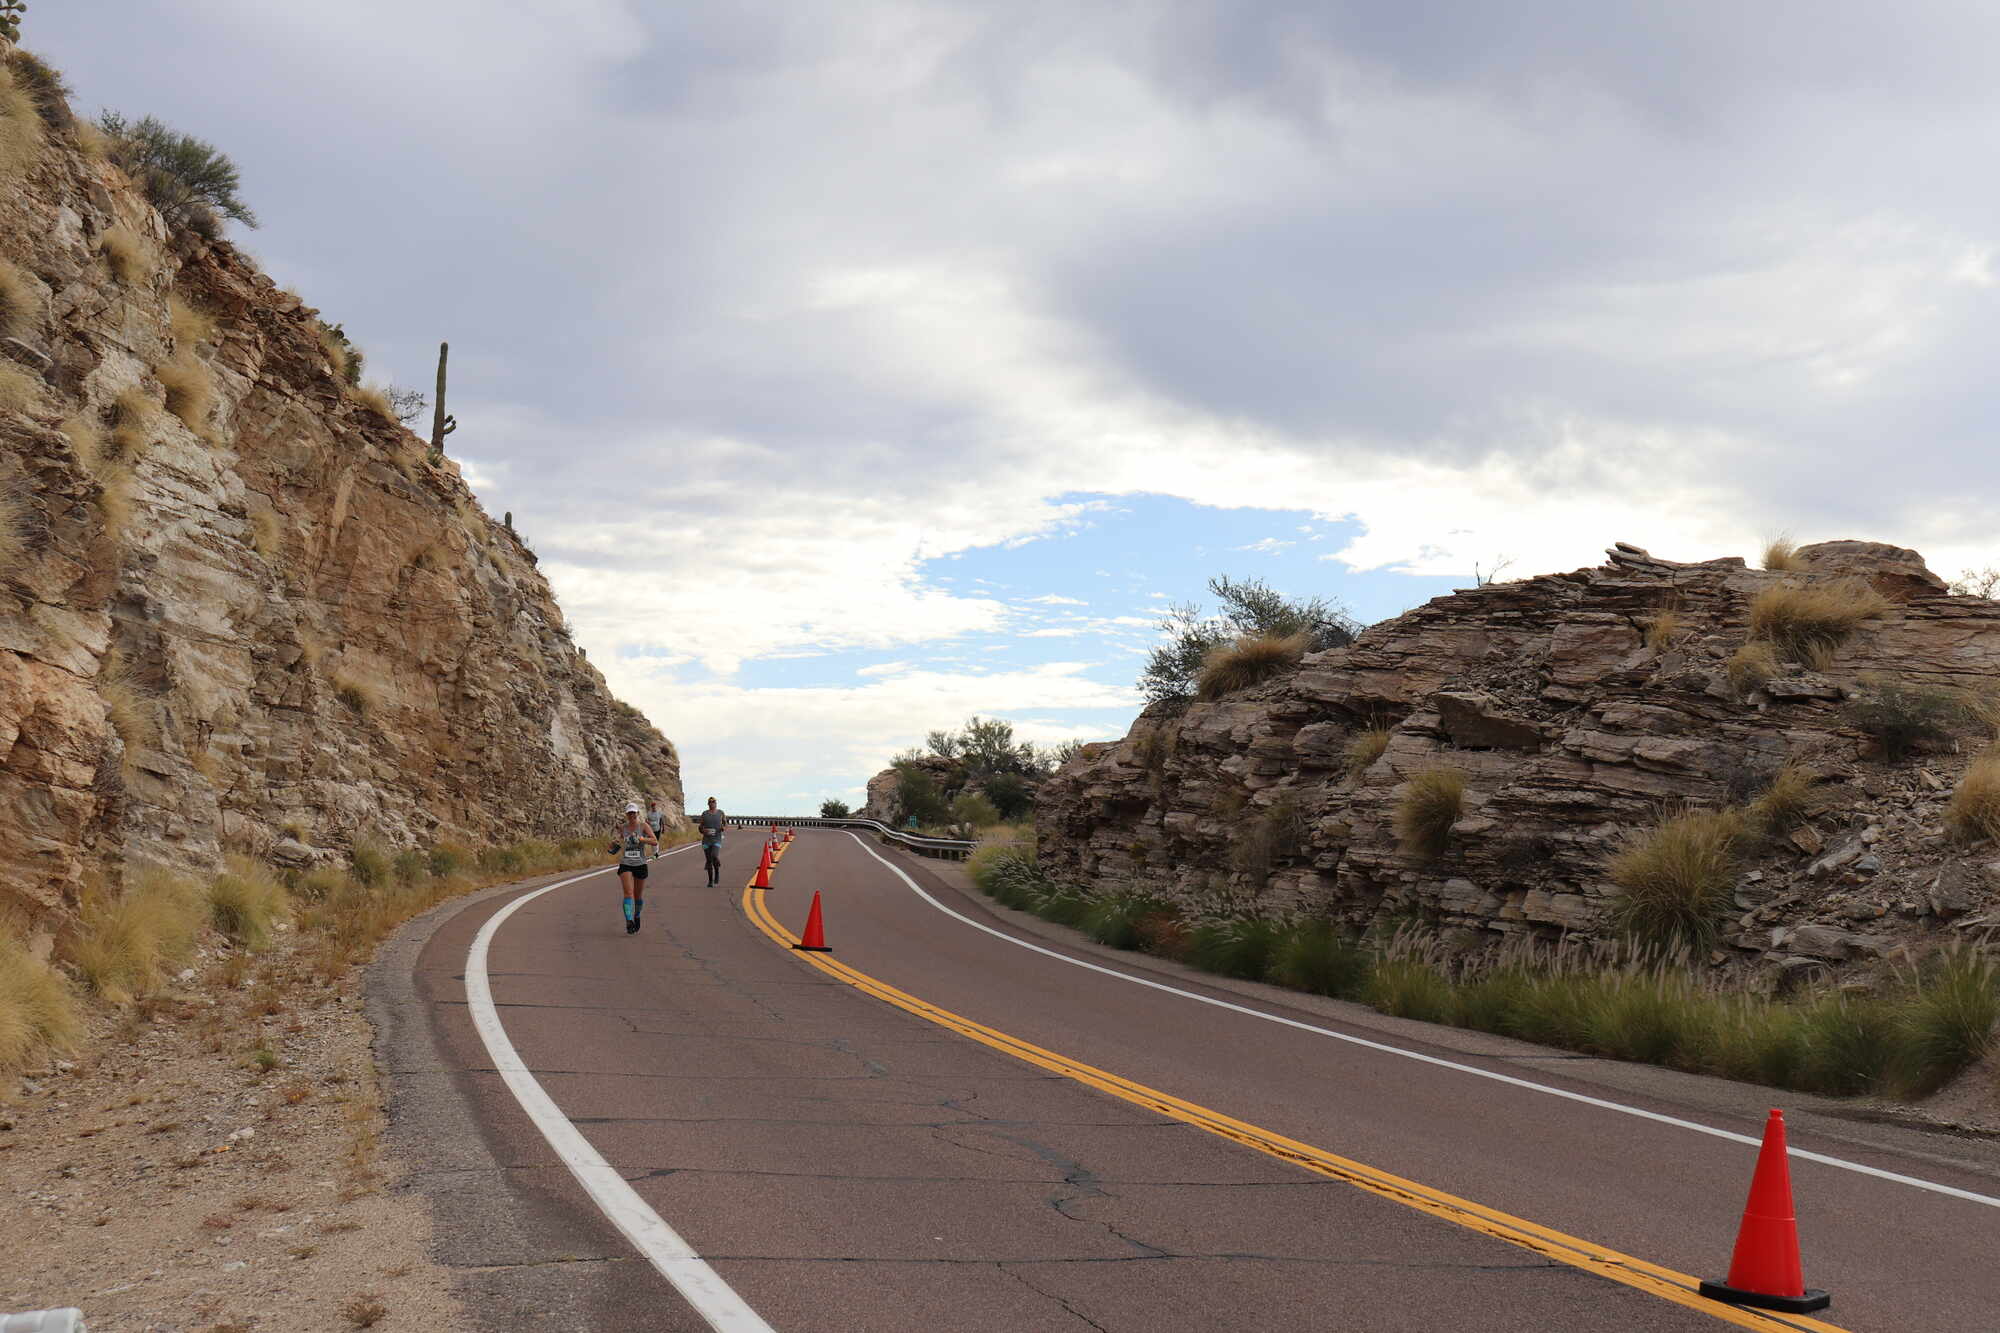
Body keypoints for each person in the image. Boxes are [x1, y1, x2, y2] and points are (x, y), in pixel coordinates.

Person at [609, 802, 658, 933]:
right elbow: (616, 845)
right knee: (628, 893)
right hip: (626, 863)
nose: (631, 815)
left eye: (633, 813)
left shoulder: (643, 826)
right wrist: (613, 844)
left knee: (637, 896)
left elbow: (654, 841)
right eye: (629, 813)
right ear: (626, 814)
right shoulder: (623, 828)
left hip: (640, 863)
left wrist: (641, 839)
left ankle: (636, 915)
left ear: (637, 813)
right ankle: (629, 921)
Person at [697, 796, 726, 887]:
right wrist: (703, 831)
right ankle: (710, 881)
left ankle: (717, 873)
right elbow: (700, 827)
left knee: (714, 855)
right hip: (706, 840)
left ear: (716, 803)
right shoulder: (704, 814)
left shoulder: (721, 813)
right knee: (709, 860)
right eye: (710, 802)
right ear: (708, 804)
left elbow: (725, 824)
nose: (712, 803)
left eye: (714, 802)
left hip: (717, 839)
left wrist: (723, 828)